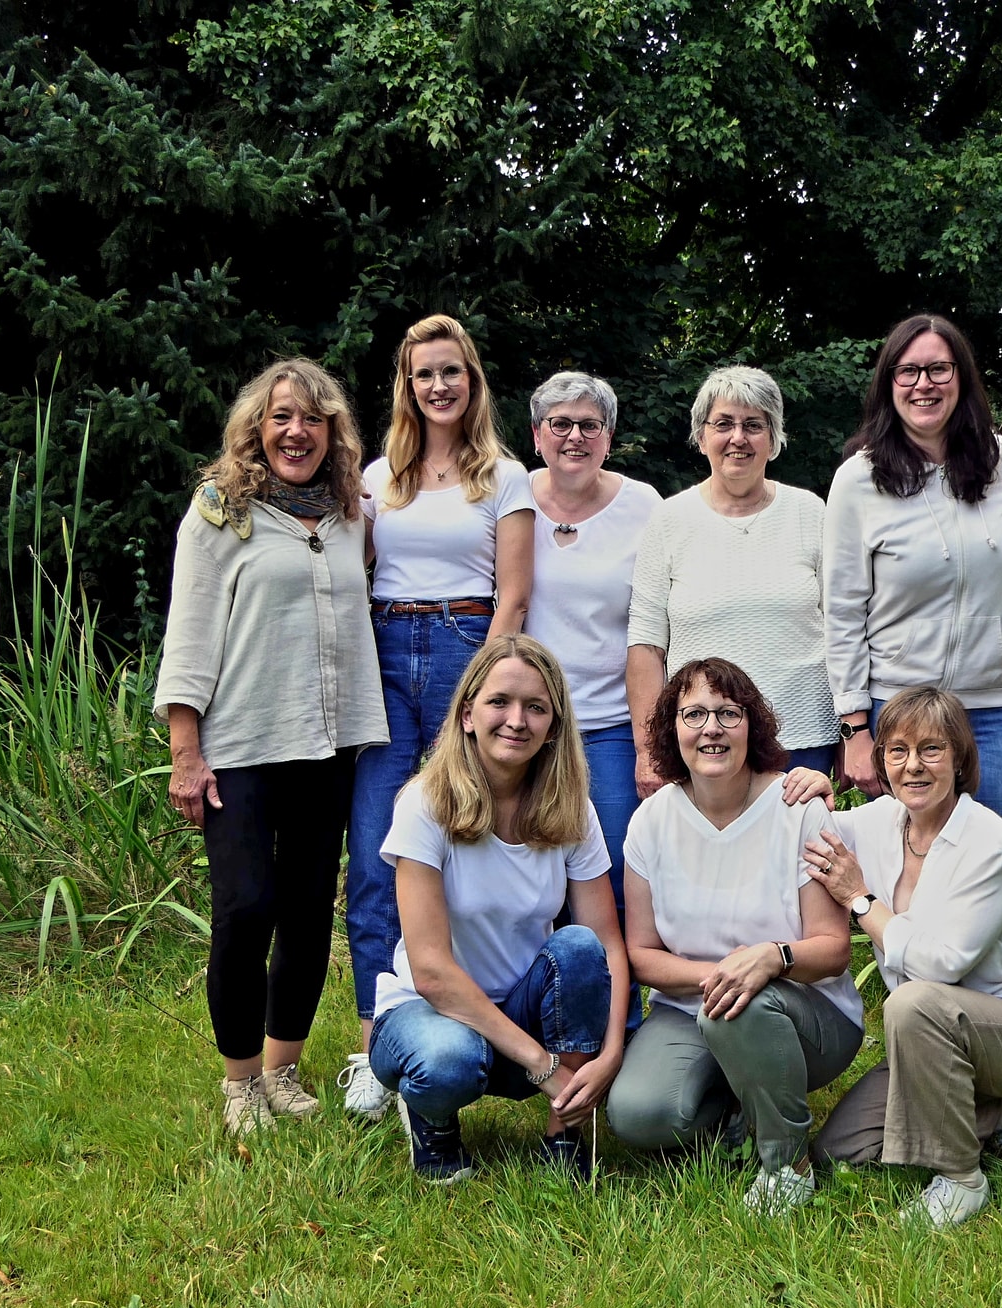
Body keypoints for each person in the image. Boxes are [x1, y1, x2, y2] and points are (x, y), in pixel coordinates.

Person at [155, 358, 387, 1137]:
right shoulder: (221, 511)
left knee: (306, 917)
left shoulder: (354, 513)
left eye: (314, 419)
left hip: (327, 749)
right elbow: (188, 635)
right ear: (257, 427)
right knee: (246, 908)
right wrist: (186, 751)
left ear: (334, 432)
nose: (298, 432)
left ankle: (285, 1070)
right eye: (283, 417)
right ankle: (241, 1080)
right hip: (242, 744)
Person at [341, 314, 535, 1124]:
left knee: (470, 842)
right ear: (408, 385)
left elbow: (517, 595)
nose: (440, 385)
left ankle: (492, 1029)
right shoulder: (378, 477)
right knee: (376, 853)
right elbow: (352, 581)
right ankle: (373, 1046)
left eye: (452, 371)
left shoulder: (505, 477)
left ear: (473, 381)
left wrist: (476, 694)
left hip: (469, 648)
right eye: (425, 374)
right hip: (386, 656)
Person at [366, 635, 636, 1183]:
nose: (517, 720)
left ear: (554, 726)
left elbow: (607, 944)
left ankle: (565, 1135)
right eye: (500, 702)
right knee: (449, 1060)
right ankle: (433, 1123)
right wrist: (543, 1066)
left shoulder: (571, 809)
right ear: (468, 714)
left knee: (578, 947)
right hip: (429, 1013)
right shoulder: (425, 803)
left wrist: (609, 1053)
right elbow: (433, 972)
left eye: (536, 707)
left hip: (522, 1009)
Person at [807, 688, 1002, 1228]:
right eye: (898, 750)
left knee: (912, 1003)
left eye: (932, 749)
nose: (913, 766)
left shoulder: (991, 843)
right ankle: (998, 1111)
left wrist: (860, 900)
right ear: (882, 760)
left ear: (959, 759)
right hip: (935, 1038)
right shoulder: (883, 820)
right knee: (839, 1149)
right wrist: (813, 790)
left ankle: (960, 1179)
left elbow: (937, 967)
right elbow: (813, 832)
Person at [606, 658, 863, 1215]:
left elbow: (834, 949)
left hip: (805, 1011)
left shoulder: (798, 808)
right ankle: (742, 1112)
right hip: (690, 1007)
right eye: (693, 714)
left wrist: (769, 959)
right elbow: (641, 954)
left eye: (728, 713)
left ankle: (786, 1164)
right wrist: (721, 975)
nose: (712, 728)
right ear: (672, 730)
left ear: (754, 725)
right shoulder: (651, 821)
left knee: (742, 1008)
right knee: (638, 1115)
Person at [823, 314, 1002, 858]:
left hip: (1001, 706)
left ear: (962, 377)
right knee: (910, 866)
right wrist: (854, 730)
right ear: (888, 382)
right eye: (908, 371)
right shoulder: (858, 479)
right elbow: (843, 610)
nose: (924, 384)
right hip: (901, 704)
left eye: (939, 369)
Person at [626, 367, 837, 793]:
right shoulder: (669, 520)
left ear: (774, 439)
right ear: (701, 437)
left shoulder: (811, 513)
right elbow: (646, 645)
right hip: (702, 743)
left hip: (803, 742)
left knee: (799, 859)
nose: (738, 438)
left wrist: (852, 732)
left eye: (754, 425)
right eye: (723, 424)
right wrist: (649, 750)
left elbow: (845, 627)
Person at [523, 372, 662, 912]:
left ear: (608, 438)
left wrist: (650, 745)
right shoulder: (510, 496)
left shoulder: (644, 506)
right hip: (530, 724)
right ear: (537, 435)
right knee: (535, 879)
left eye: (589, 425)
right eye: (560, 424)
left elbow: (654, 627)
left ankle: (618, 999)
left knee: (617, 882)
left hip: (611, 727)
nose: (574, 437)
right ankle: (545, 997)